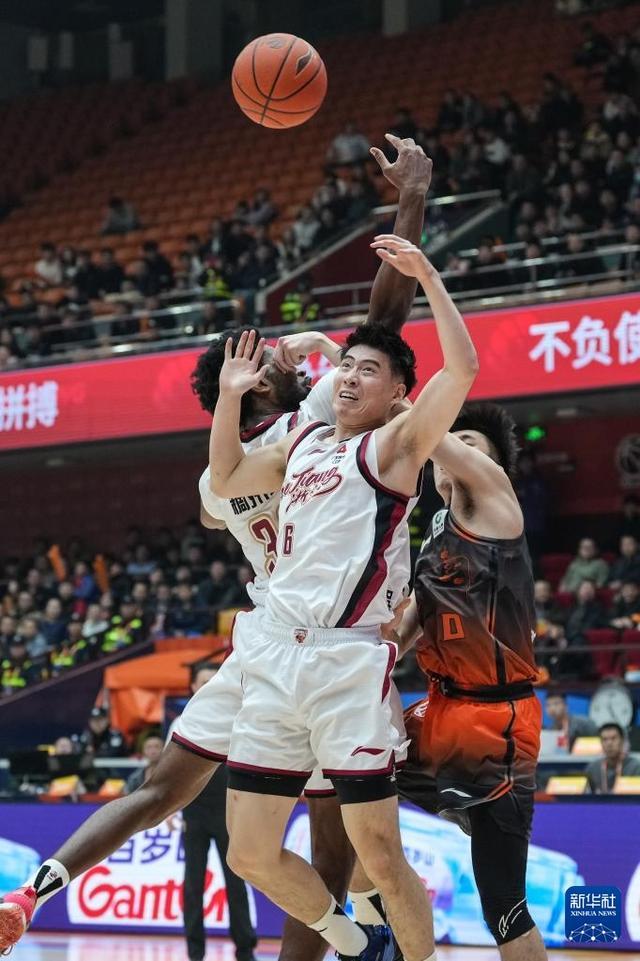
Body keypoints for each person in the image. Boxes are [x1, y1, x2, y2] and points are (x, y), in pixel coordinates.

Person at [0, 136, 432, 960]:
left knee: (163, 788)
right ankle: (359, 939)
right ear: (262, 383)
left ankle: (33, 889)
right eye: (269, 355)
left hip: (267, 640)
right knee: (330, 846)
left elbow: (217, 499)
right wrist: (410, 201)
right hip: (330, 639)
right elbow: (385, 318)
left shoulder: (215, 480)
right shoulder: (311, 421)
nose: (280, 351)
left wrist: (299, 366)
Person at [207, 232, 477, 961]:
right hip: (276, 658)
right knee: (249, 852)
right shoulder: (302, 443)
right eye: (346, 366)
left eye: (368, 370)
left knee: (379, 855)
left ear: (397, 393)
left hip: (345, 662)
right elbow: (226, 478)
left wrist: (428, 276)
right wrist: (229, 399)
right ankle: (357, 944)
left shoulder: (395, 447)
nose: (351, 378)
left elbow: (463, 368)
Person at [396, 403, 548, 961]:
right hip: (441, 711)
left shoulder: (497, 504)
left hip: (497, 722)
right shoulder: (436, 530)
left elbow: (432, 435)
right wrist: (381, 651)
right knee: (355, 777)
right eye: (449, 442)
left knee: (503, 908)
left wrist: (398, 401)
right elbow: (417, 614)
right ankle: (377, 929)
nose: (451, 451)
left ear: (492, 464)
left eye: (469, 444)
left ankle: (471, 807)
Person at [177, 663, 257, 961]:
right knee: (193, 885)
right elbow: (169, 772)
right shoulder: (183, 721)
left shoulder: (239, 718)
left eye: (212, 680)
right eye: (203, 681)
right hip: (194, 812)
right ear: (192, 687)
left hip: (228, 812)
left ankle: (245, 950)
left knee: (236, 882)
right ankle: (195, 952)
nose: (208, 685)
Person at [585, 723, 640, 794]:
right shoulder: (593, 768)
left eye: (613, 738)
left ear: (622, 741)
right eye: (604, 739)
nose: (609, 743)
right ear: (600, 743)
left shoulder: (635, 767)